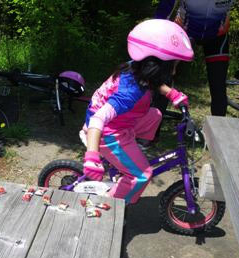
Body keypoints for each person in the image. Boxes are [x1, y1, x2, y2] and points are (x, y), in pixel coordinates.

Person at [82, 19, 194, 204]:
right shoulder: (129, 93)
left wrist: (172, 93)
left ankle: (127, 158)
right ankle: (110, 207)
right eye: (173, 65)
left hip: (120, 121)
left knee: (155, 116)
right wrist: (92, 155)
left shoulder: (137, 66)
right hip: (106, 132)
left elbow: (152, 81)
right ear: (158, 65)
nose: (174, 71)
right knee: (142, 175)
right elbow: (97, 120)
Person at [155, 0, 239, 117]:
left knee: (218, 87)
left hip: (217, 36)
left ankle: (218, 131)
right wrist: (156, 40)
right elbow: (164, 9)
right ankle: (153, 130)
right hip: (184, 32)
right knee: (165, 78)